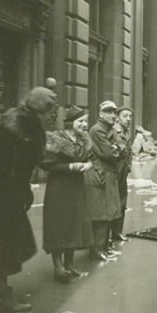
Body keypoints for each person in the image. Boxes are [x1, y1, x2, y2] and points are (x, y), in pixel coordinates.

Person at [0, 87, 56, 311]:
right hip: (5, 192)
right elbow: (13, 163)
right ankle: (1, 297)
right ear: (40, 108)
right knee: (6, 242)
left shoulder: (24, 121)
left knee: (8, 242)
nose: (51, 115)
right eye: (49, 110)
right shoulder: (23, 124)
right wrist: (19, 191)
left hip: (7, 188)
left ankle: (1, 292)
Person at [41, 105, 93, 282]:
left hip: (76, 188)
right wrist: (70, 167)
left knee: (74, 223)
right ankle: (58, 267)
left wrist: (88, 165)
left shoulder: (84, 140)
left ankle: (69, 264)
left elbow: (89, 159)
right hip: (59, 188)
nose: (84, 124)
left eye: (86, 121)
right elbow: (46, 165)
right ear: (70, 123)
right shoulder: (56, 140)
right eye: (81, 121)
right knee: (58, 226)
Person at [85, 100, 123, 260]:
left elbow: (122, 147)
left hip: (107, 174)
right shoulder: (98, 130)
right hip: (100, 175)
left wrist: (116, 148)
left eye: (114, 112)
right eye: (109, 112)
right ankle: (97, 250)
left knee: (108, 212)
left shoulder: (107, 129)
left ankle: (103, 247)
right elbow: (110, 153)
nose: (113, 115)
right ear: (101, 113)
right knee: (101, 214)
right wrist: (115, 148)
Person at [109, 106, 135, 244]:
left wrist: (129, 166)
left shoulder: (127, 132)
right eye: (125, 116)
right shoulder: (113, 131)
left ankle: (117, 232)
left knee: (122, 201)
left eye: (130, 116)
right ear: (117, 117)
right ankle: (106, 236)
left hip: (123, 170)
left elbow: (129, 151)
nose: (128, 119)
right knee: (111, 202)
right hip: (114, 170)